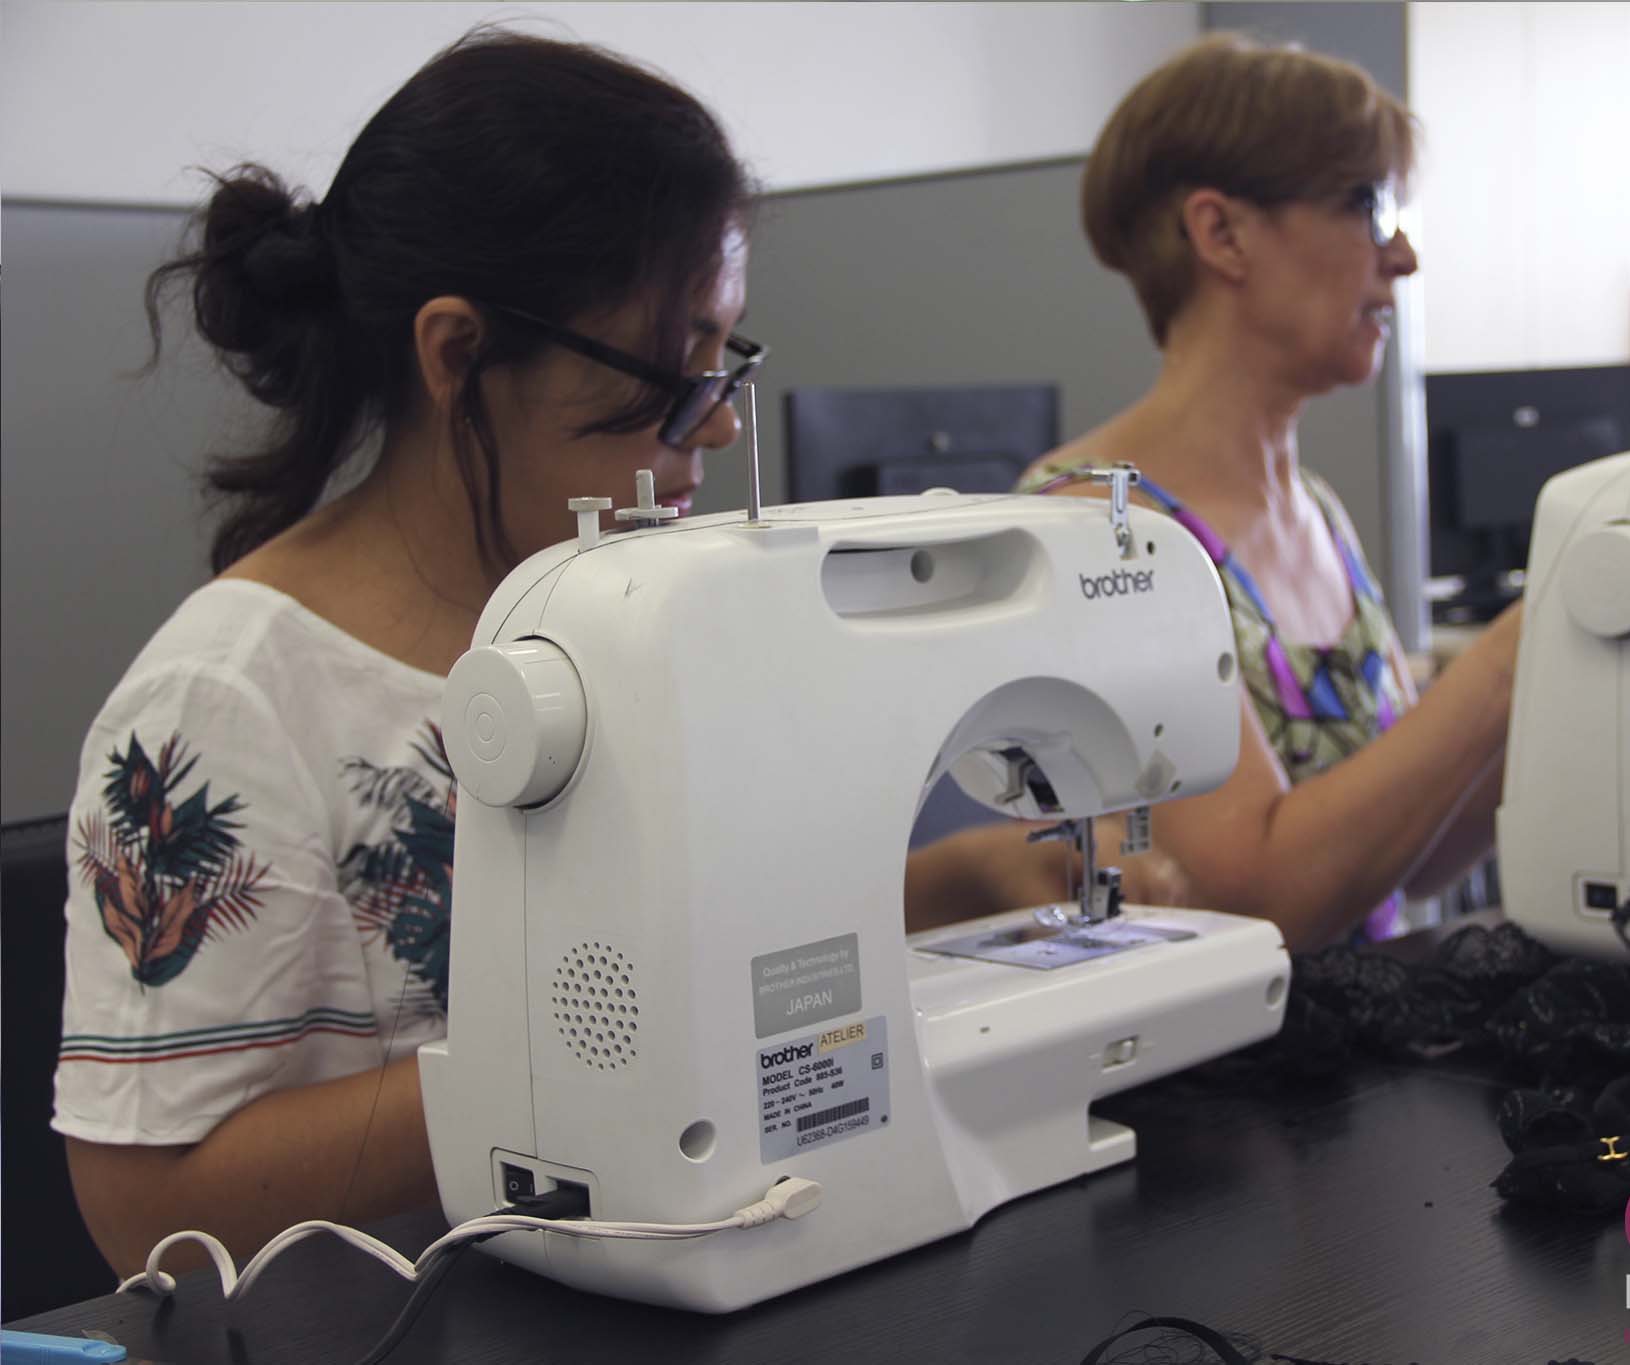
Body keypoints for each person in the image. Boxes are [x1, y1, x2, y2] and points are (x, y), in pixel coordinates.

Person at [54, 29, 1147, 1278]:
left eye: (724, 359)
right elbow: (146, 1210)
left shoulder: (659, 619)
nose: (718, 425)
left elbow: (711, 947)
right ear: (458, 354)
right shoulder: (227, 701)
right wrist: (585, 1069)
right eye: (670, 369)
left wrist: (960, 883)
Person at [1022, 34, 1522, 950]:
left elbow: (1409, 855)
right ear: (1222, 233)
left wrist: (1566, 677)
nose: (1404, 256)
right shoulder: (1098, 522)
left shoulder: (1316, 509)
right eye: (1369, 207)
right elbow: (1255, 899)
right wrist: (1503, 664)